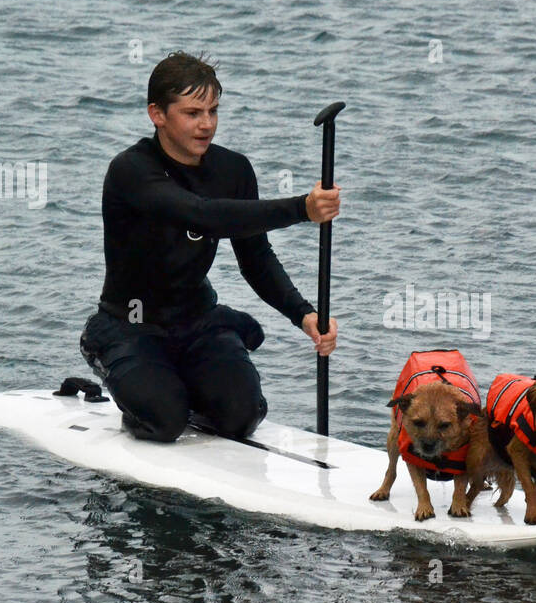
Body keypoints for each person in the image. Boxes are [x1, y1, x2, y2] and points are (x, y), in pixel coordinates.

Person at [79, 51, 341, 442]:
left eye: (213, 111)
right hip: (129, 325)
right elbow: (202, 214)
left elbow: (255, 258)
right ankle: (141, 388)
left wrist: (304, 315)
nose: (206, 125)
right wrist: (301, 208)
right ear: (157, 114)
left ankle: (197, 383)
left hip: (197, 322)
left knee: (241, 418)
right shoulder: (131, 171)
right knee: (165, 422)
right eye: (192, 113)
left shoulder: (233, 170)